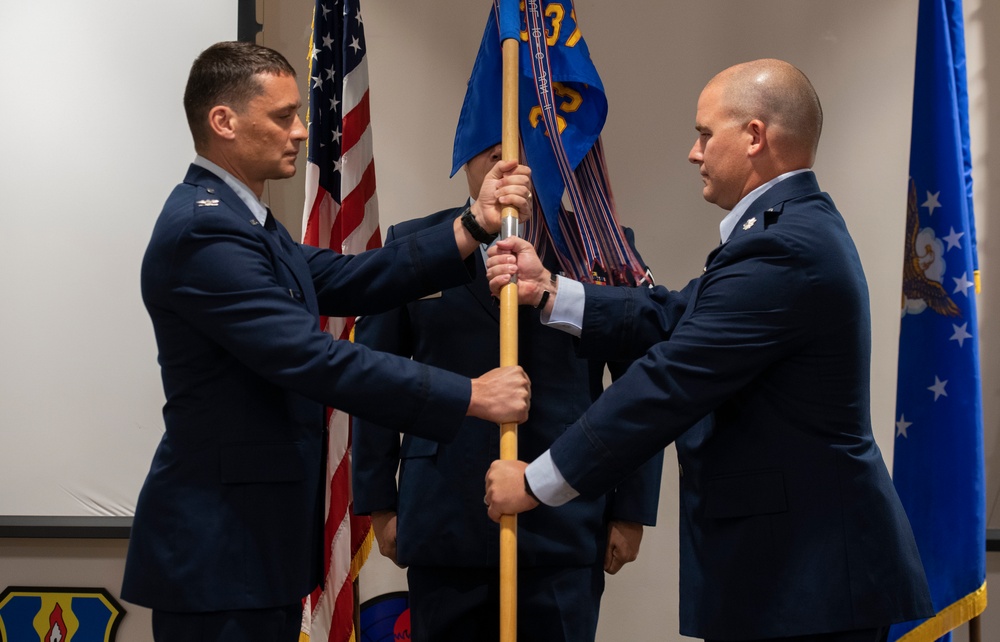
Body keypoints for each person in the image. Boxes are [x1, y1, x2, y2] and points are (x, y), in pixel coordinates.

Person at [483, 59, 933, 642]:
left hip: (807, 582)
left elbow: (668, 381)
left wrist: (538, 481)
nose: (693, 153)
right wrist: (551, 291)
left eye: (703, 134)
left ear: (753, 137)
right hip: (793, 578)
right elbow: (675, 316)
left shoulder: (784, 249)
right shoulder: (785, 232)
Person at [120, 41, 533, 642]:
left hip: (252, 548)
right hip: (219, 552)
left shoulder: (241, 220)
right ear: (224, 122)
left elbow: (344, 278)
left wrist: (473, 224)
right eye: (283, 116)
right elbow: (310, 358)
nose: (300, 131)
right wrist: (469, 395)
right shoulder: (204, 228)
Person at [352, 142, 664, 642]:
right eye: (492, 150)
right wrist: (379, 502)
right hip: (443, 515)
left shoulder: (599, 248)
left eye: (521, 149)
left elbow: (644, 384)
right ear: (466, 158)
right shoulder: (414, 244)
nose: (507, 164)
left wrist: (630, 510)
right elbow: (376, 378)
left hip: (564, 518)